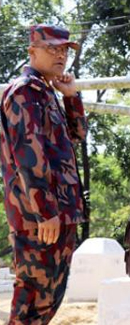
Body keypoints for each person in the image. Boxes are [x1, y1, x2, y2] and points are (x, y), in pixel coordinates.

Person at [0, 24, 87, 324]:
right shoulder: (24, 93)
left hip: (59, 214)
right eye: (52, 48)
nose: (60, 55)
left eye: (64, 50)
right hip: (37, 218)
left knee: (48, 301)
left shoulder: (46, 93)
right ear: (32, 51)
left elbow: (77, 135)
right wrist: (45, 210)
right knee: (32, 303)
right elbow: (28, 155)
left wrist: (71, 97)